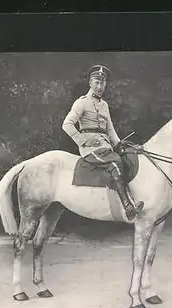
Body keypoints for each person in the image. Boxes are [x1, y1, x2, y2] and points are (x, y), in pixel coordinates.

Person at [62, 65, 144, 220]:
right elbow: (67, 124)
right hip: (90, 149)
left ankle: (126, 201)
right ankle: (127, 207)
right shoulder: (82, 103)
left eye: (102, 83)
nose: (99, 87)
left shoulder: (104, 105)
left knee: (127, 157)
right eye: (96, 82)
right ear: (90, 83)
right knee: (115, 162)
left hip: (105, 147)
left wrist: (120, 145)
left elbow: (110, 130)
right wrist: (83, 140)